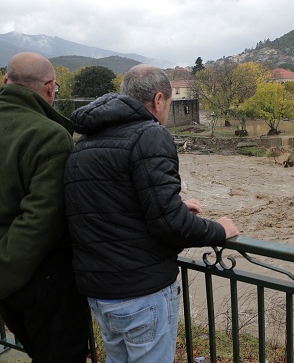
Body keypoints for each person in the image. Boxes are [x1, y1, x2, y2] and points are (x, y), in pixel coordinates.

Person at [64, 64, 240, 363]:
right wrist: (219, 230)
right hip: (140, 291)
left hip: (99, 290)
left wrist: (172, 205)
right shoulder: (150, 135)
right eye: (169, 104)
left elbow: (106, 205)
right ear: (159, 100)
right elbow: (171, 227)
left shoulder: (86, 142)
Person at [0, 52, 90, 362]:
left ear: (4, 81)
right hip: (40, 279)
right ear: (50, 88)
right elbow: (41, 220)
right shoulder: (49, 135)